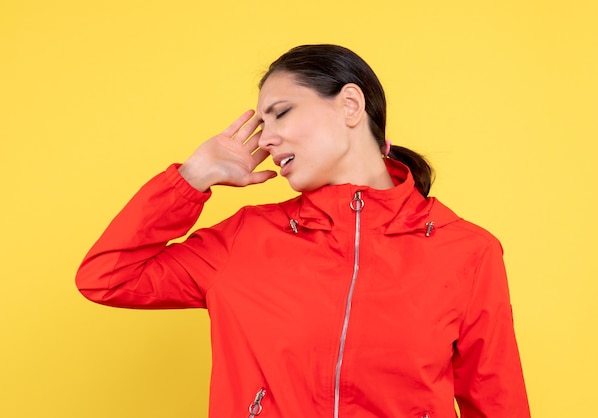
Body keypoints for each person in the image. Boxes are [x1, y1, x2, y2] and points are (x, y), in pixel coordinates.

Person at [76, 44, 530, 418]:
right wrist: (192, 178)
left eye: (281, 113)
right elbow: (107, 276)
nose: (266, 138)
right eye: (262, 123)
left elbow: (497, 403)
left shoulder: (467, 251)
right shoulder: (245, 239)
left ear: (350, 105)